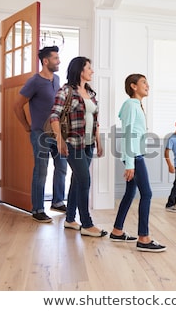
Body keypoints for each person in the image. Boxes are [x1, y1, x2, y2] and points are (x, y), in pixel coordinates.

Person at [49, 56, 106, 237]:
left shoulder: (91, 93)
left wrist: (98, 140)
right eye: (89, 68)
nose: (92, 71)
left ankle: (70, 219)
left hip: (88, 144)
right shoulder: (66, 91)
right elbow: (54, 117)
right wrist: (60, 141)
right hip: (73, 144)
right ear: (80, 70)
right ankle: (87, 224)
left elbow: (94, 119)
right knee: (84, 180)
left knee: (77, 180)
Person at [110, 73, 166, 252]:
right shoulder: (130, 105)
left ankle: (117, 231)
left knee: (129, 193)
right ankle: (144, 238)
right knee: (147, 194)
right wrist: (130, 163)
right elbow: (127, 134)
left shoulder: (136, 105)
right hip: (135, 157)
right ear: (133, 86)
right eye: (143, 82)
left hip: (135, 155)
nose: (147, 85)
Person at [14, 46, 67, 223]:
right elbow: (17, 106)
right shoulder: (34, 82)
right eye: (55, 58)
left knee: (61, 167)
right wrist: (26, 126)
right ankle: (37, 209)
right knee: (41, 171)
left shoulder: (57, 79)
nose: (58, 61)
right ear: (45, 61)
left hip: (57, 133)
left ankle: (58, 201)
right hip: (40, 134)